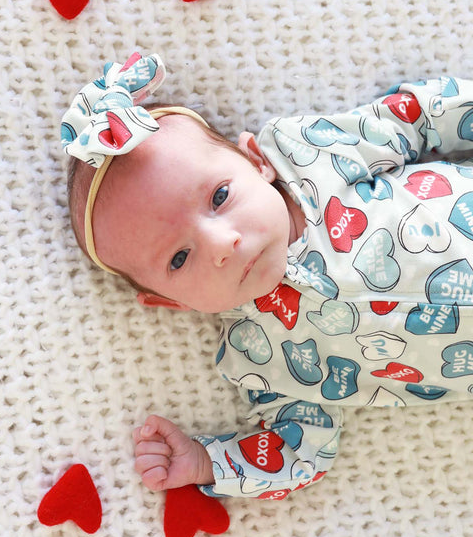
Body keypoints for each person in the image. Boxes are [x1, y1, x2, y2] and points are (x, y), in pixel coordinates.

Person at [62, 53, 473, 499]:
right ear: (173, 303)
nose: (222, 244)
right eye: (180, 259)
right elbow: (301, 451)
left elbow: (417, 117)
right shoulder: (259, 358)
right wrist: (206, 462)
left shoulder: (315, 158)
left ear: (256, 160)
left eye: (219, 197)